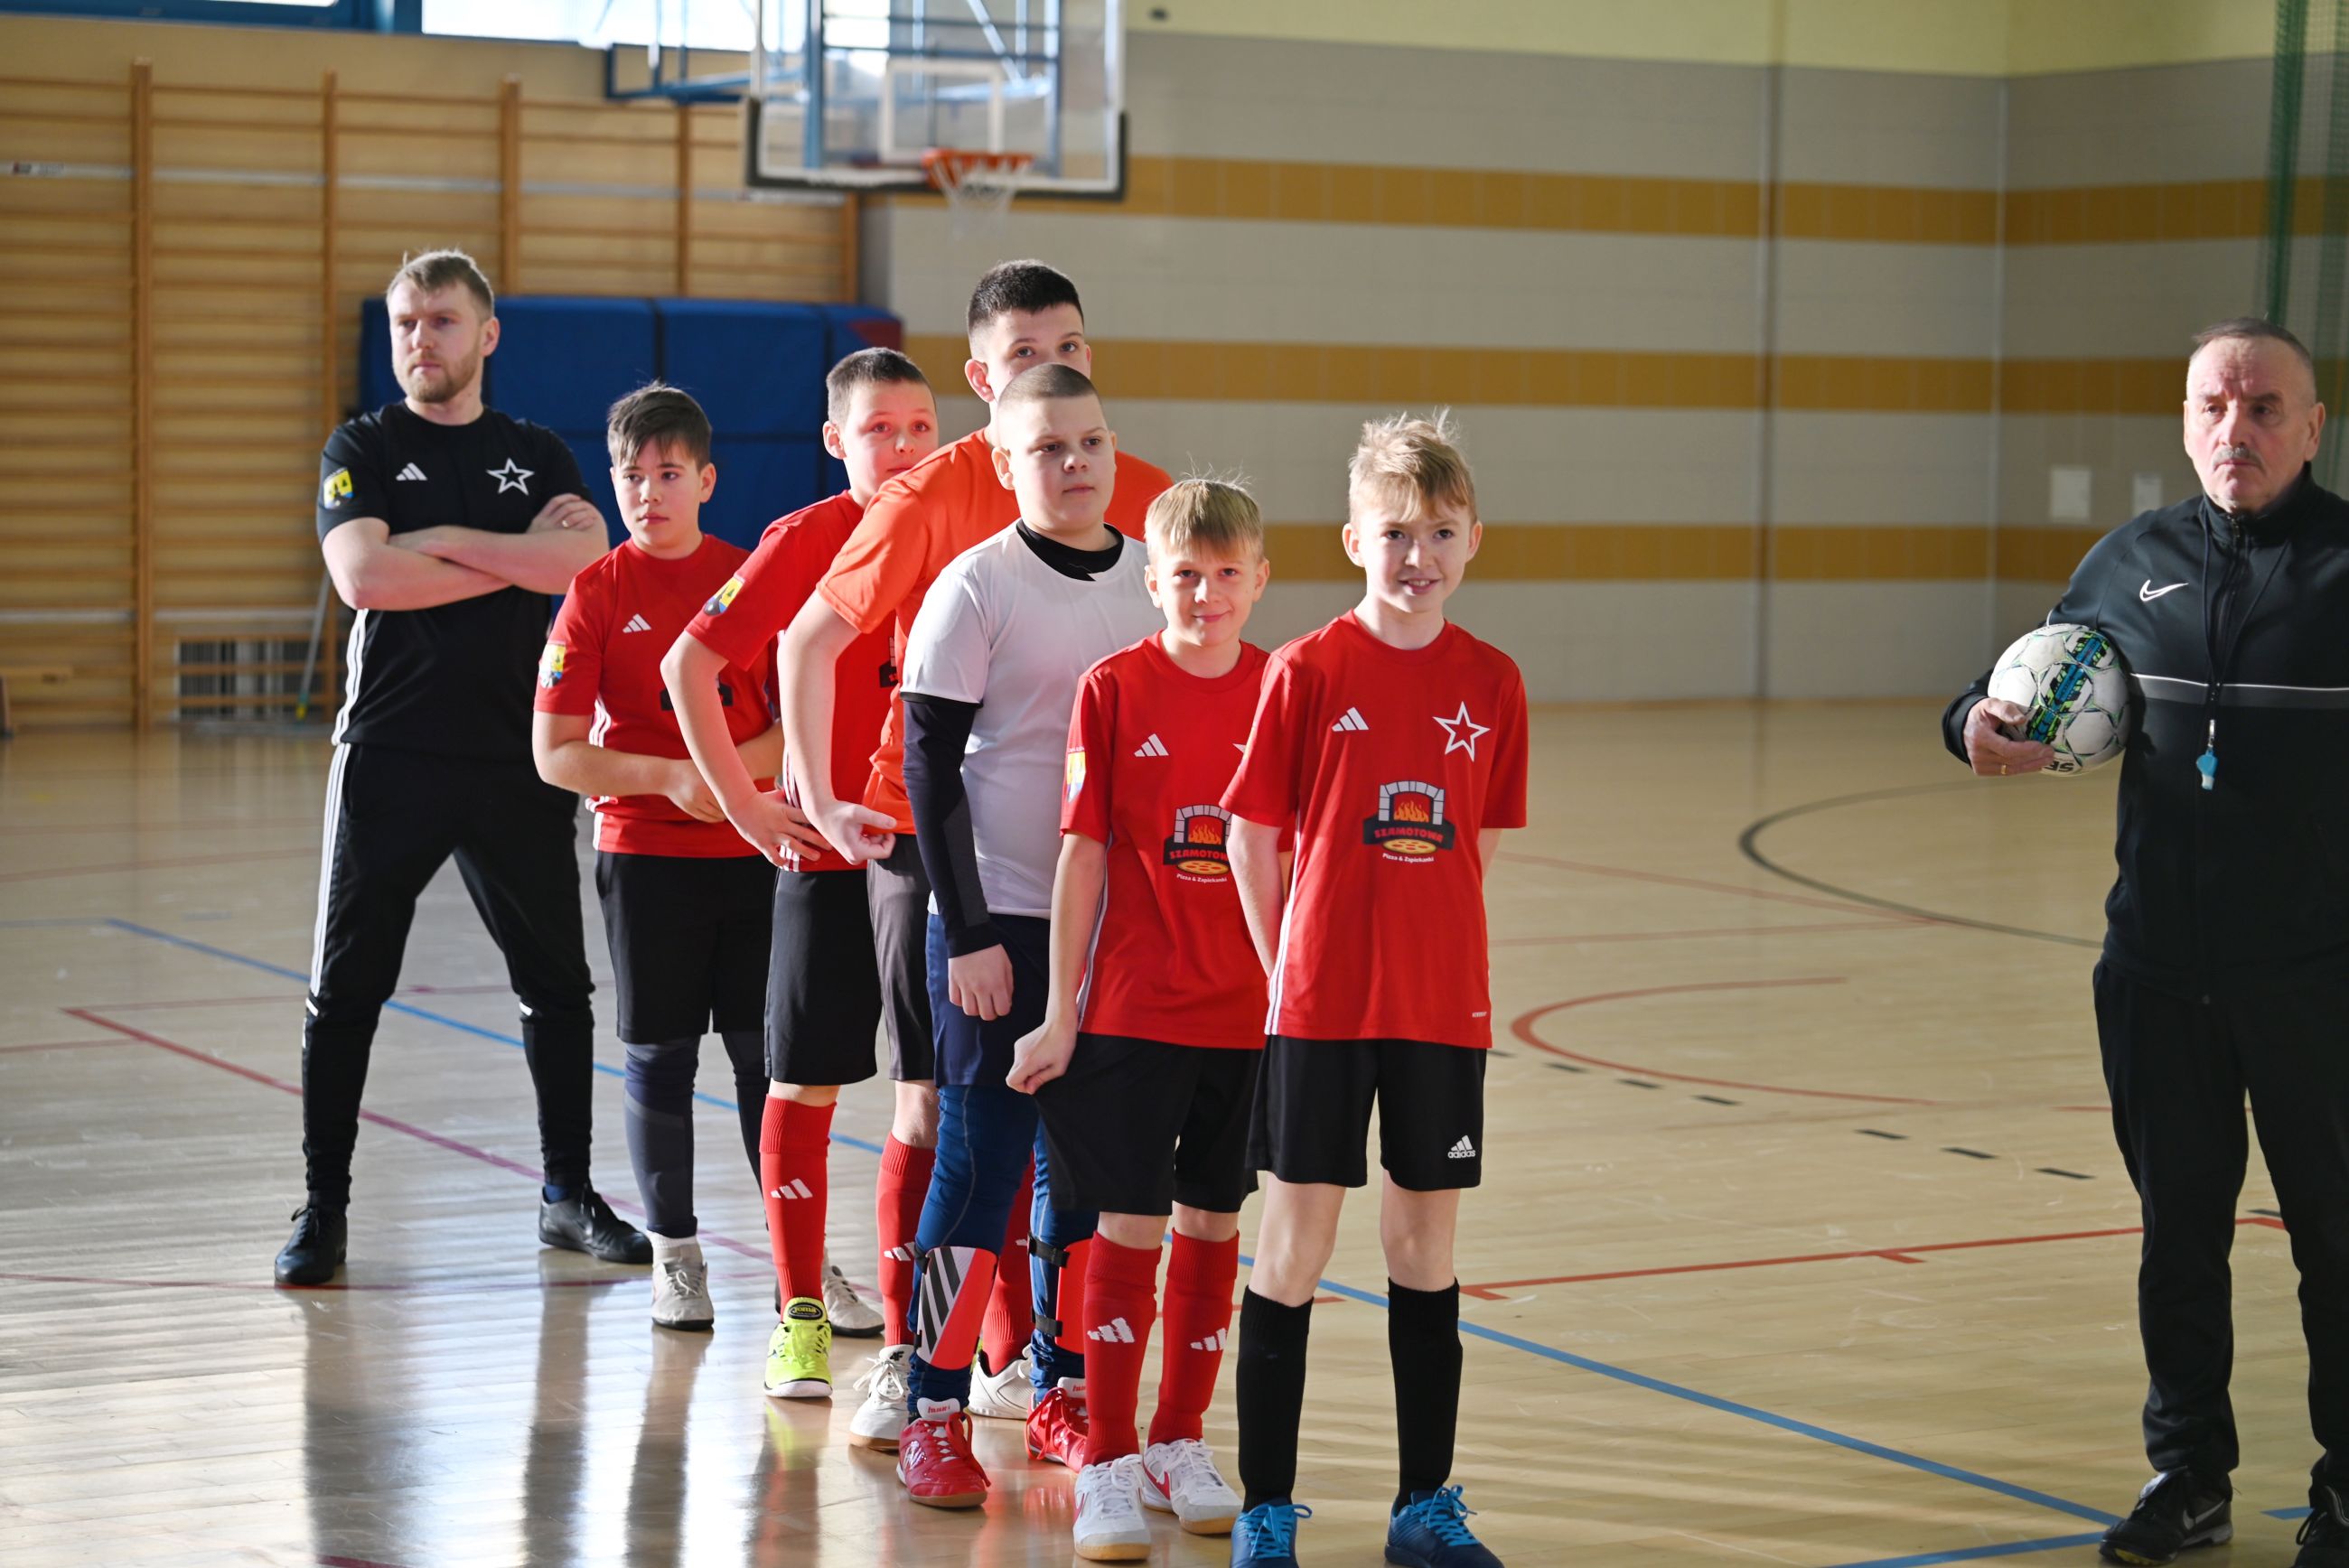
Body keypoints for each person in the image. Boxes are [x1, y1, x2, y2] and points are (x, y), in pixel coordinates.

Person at [1943, 317, 2349, 1568]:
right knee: (2179, 1236)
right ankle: (2188, 1476)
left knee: (2336, 1238)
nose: (2237, 429)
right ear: (2185, 422)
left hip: (2316, 979)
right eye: (2213, 406)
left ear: (2313, 427)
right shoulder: (2129, 560)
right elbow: (2022, 682)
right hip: (2157, 972)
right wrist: (1972, 725)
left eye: (2264, 407)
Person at [775, 259, 1174, 1420]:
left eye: (1070, 348)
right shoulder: (942, 515)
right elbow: (814, 645)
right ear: (983, 383)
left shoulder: (1140, 507)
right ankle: (920, 1367)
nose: (1053, 374)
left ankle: (1043, 1375)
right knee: (949, 1118)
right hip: (947, 852)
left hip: (1096, 887)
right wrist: (814, 796)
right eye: (1023, 355)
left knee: (1074, 1149)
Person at [280, 248, 642, 1287]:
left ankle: (566, 1193)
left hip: (513, 756)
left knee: (556, 986)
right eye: (405, 321)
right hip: (389, 753)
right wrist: (506, 553)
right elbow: (364, 577)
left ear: (486, 335)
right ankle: (324, 1206)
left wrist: (433, 540)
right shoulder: (361, 444)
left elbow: (579, 561)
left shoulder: (534, 450)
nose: (418, 339)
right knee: (346, 988)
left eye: (440, 320)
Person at [1221, 412, 1527, 1568]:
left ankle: (1421, 1506)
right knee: (1292, 1247)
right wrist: (1285, 967)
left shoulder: (1492, 681)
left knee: (1423, 1249)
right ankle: (1265, 1508)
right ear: (1353, 539)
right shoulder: (1304, 669)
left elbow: (1474, 846)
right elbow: (1252, 838)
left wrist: (1428, 946)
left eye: (1440, 532)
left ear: (1472, 540)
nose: (1417, 555)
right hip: (1320, 1006)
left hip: (1440, 1007)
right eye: (1394, 532)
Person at [889, 364, 1165, 1509]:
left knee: (1085, 1175)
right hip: (995, 920)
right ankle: (932, 1405)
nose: (1075, 462)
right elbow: (927, 767)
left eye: (1090, 440)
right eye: (1048, 446)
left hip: (1112, 929)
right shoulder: (974, 586)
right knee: (979, 1165)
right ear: (1003, 462)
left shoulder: (1153, 579)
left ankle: (1061, 1386)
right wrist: (964, 931)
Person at [661, 348, 941, 1433]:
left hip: (931, 859)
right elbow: (688, 667)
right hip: (825, 857)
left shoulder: (965, 530)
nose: (903, 448)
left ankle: (932, 1338)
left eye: (920, 427)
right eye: (878, 429)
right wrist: (746, 806)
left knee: (935, 1098)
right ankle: (800, 1314)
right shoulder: (805, 539)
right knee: (802, 1083)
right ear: (834, 441)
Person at [1009, 478, 1275, 1559]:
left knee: (1213, 1223)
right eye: (1185, 575)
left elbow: (1301, 859)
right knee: (1127, 1225)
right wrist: (1058, 1011)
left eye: (1226, 574)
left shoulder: (1284, 689)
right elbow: (1079, 855)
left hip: (1246, 1018)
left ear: (1258, 579)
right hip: (1133, 1009)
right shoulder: (1112, 687)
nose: (1206, 594)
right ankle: (1110, 1456)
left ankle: (1177, 1438)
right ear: (1151, 579)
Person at [529, 383, 775, 1330]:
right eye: (630, 476)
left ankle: (796, 1266)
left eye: (668, 474)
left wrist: (730, 778)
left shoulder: (748, 579)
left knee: (764, 1060)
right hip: (644, 859)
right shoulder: (595, 592)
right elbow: (555, 754)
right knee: (660, 1058)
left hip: (752, 850)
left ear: (706, 481)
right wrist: (670, 778)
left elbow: (796, 726)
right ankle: (677, 1258)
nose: (648, 493)